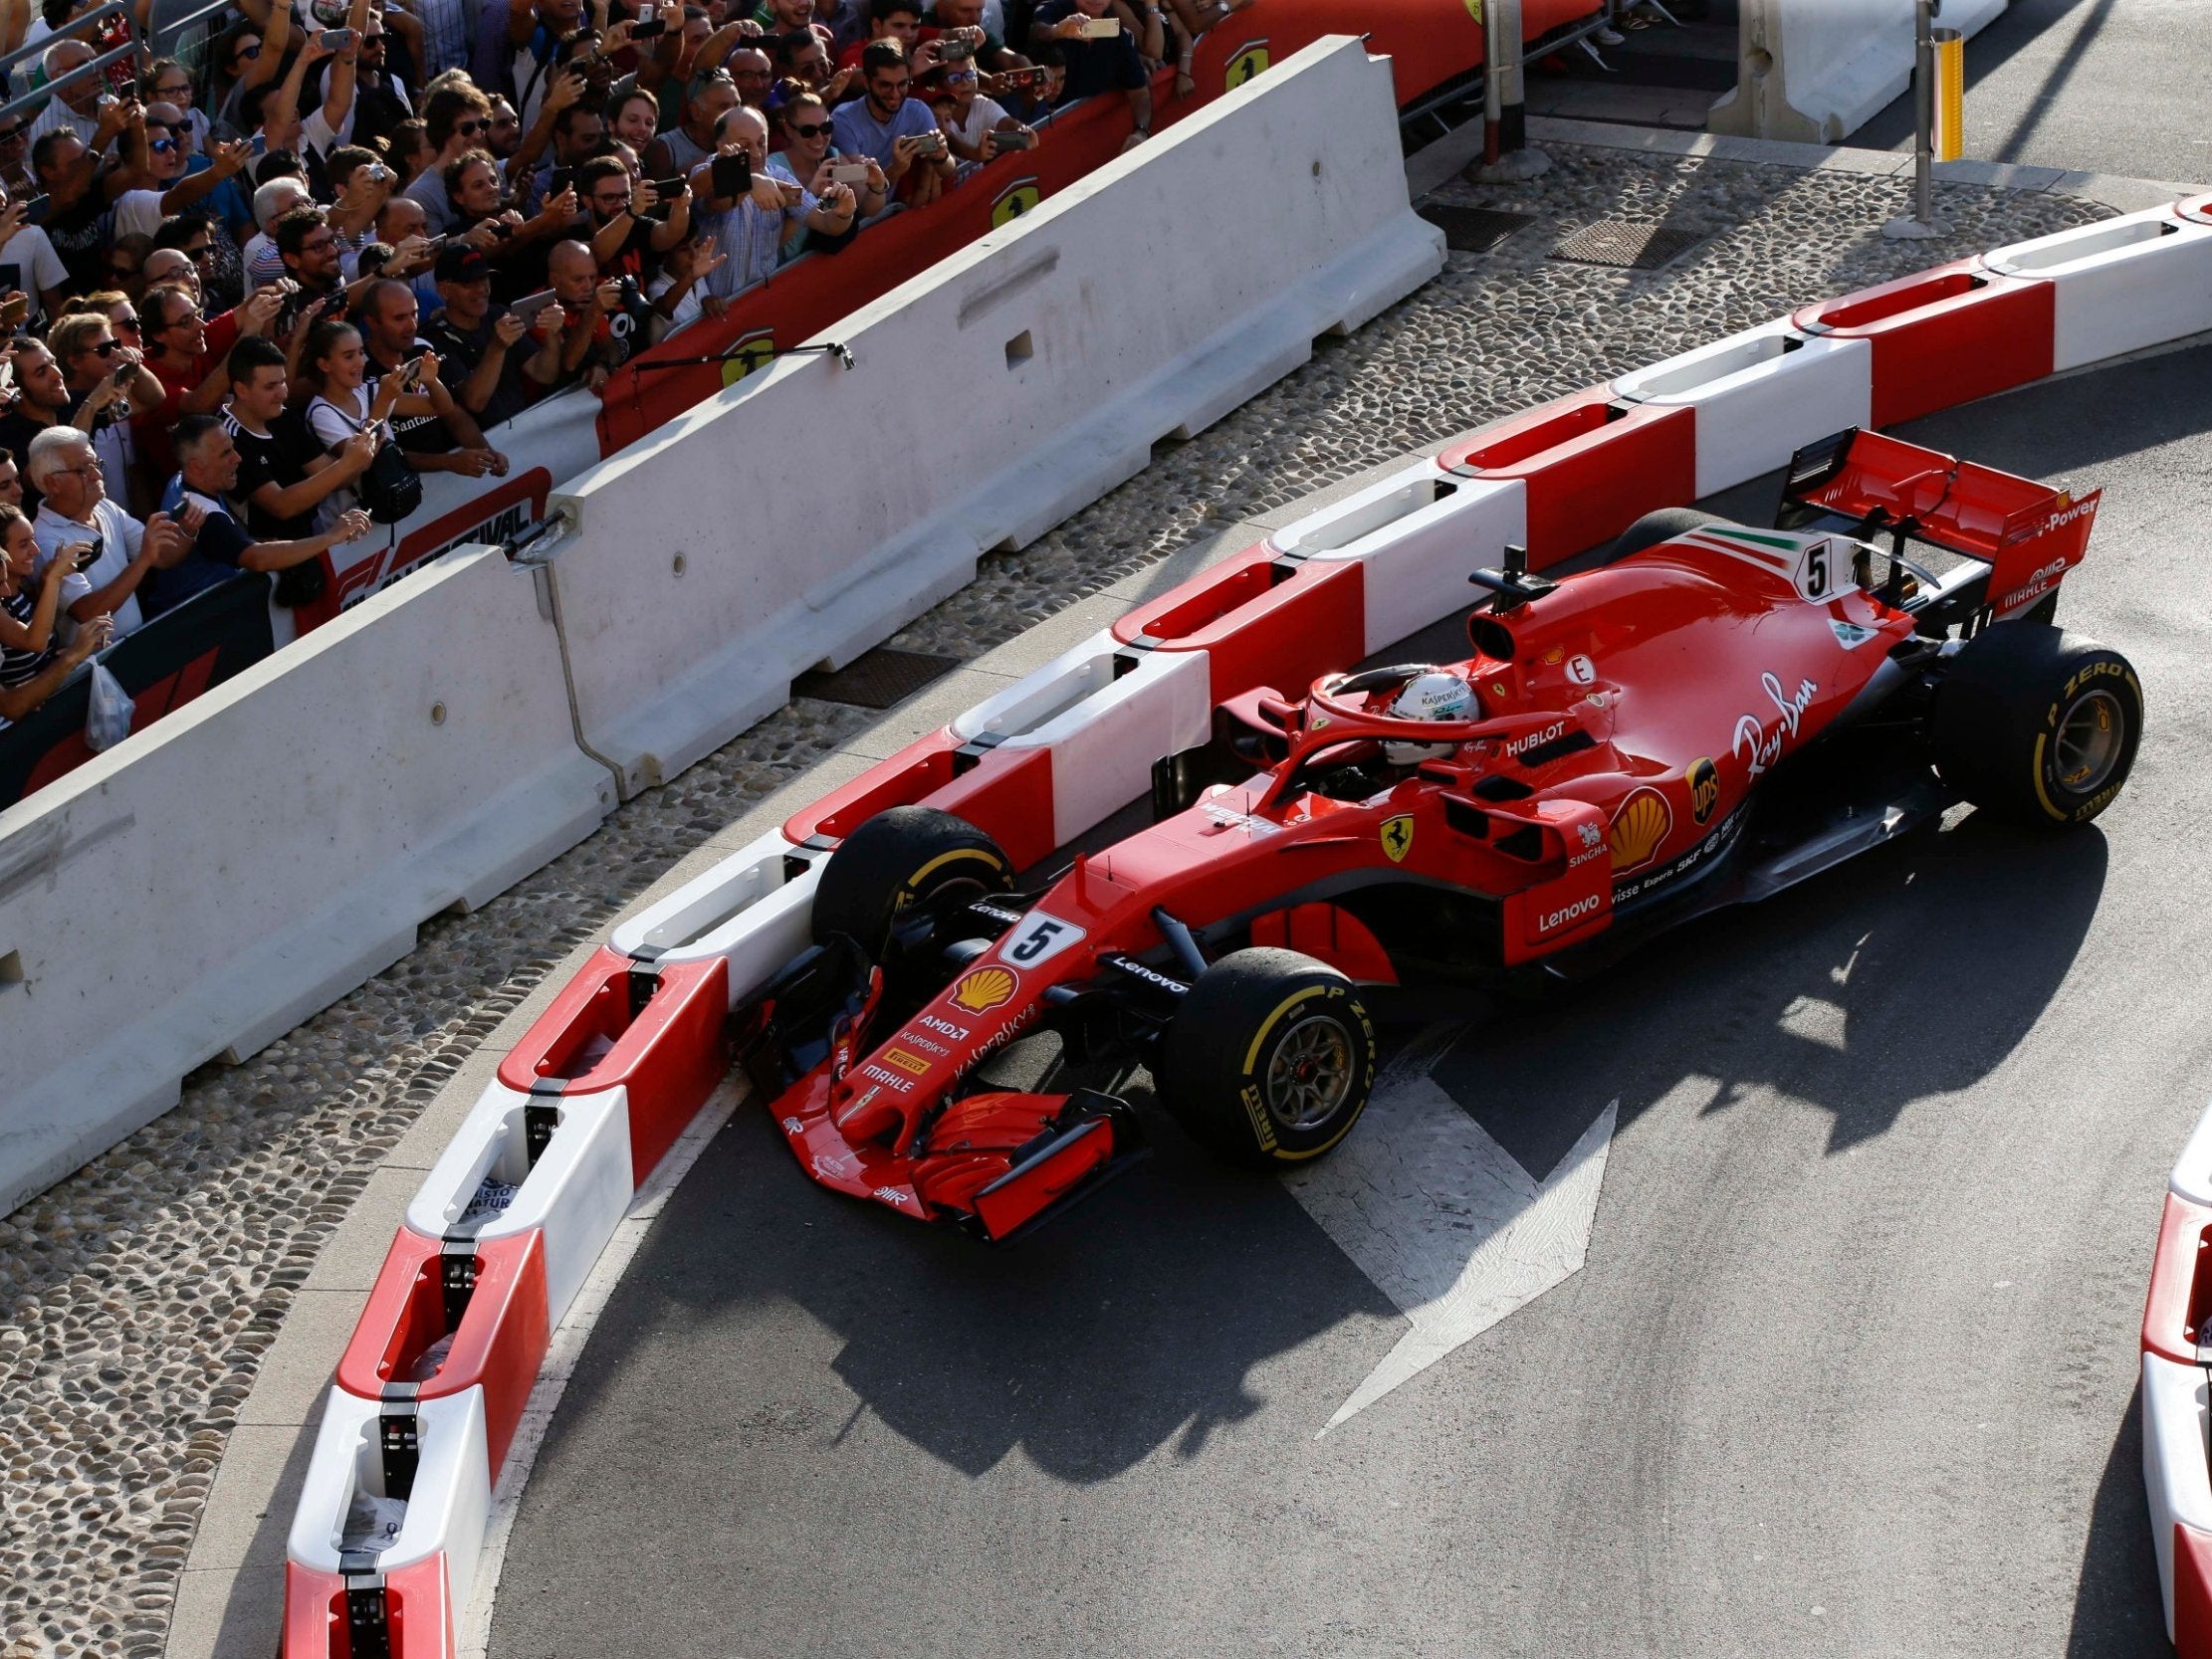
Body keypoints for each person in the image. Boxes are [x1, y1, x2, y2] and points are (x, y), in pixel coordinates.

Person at [142, 414, 375, 614]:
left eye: (233, 448)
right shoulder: (205, 516)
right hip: (194, 628)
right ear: (195, 466)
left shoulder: (181, 481)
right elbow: (257, 559)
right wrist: (331, 537)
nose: (238, 458)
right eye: (226, 453)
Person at [27, 426, 191, 642]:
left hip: (132, 649)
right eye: (83, 470)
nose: (97, 474)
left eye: (96, 464)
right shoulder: (43, 540)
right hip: (94, 669)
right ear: (52, 482)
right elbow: (86, 612)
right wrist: (143, 561)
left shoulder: (105, 507)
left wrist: (189, 530)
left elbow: (162, 556)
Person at [221, 335, 376, 538]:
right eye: (270, 387)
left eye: (283, 382)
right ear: (241, 389)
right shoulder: (227, 439)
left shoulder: (282, 416)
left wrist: (363, 453)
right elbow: (281, 505)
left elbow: (332, 476)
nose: (282, 394)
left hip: (311, 538)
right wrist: (347, 464)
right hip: (273, 558)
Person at [350, 278, 507, 478]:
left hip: (449, 479)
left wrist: (487, 454)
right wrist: (447, 462)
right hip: (402, 488)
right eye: (399, 318)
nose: (411, 325)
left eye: (414, 314)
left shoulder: (423, 348)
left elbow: (454, 414)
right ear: (372, 322)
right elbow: (378, 451)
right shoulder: (358, 371)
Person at [299, 317, 445, 526]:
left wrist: (431, 380)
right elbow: (360, 460)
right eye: (349, 356)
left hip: (389, 508)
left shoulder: (369, 390)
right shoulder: (321, 412)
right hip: (348, 526)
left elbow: (439, 407)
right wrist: (384, 400)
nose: (361, 361)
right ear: (324, 364)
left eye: (360, 352)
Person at [691, 105, 851, 296]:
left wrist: (845, 213)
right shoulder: (706, 173)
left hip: (761, 301)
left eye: (761, 143)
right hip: (712, 311)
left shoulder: (780, 175)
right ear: (720, 146)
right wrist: (750, 181)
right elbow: (717, 202)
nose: (757, 154)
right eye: (745, 146)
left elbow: (826, 222)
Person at [0, 503, 110, 728]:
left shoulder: (20, 591)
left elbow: (41, 652)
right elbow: (35, 641)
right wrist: (54, 579)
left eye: (32, 540)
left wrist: (81, 646)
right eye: (23, 545)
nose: (35, 550)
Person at [422, 245, 544, 423]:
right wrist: (497, 347)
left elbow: (544, 373)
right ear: (444, 290)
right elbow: (475, 402)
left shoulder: (499, 314)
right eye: (469, 283)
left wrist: (553, 333)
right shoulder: (433, 340)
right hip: (480, 445)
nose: (481, 289)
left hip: (525, 428)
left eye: (484, 279)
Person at [831, 40, 955, 199]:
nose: (895, 93)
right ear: (867, 83)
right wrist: (895, 170)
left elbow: (948, 170)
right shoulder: (843, 121)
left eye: (902, 84)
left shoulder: (918, 111)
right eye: (885, 85)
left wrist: (942, 157)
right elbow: (862, 196)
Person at [1030, 0, 1151, 150]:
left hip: (1087, 144)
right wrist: (1057, 31)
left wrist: (1140, 131)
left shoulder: (1117, 35)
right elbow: (1037, 30)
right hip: (1037, 137)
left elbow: (1139, 93)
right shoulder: (1052, 9)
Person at [401, 80, 495, 233]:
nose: (479, 134)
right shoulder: (422, 193)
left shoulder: (490, 169)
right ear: (444, 132)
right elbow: (431, 250)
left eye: (483, 124)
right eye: (467, 128)